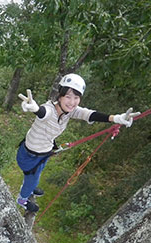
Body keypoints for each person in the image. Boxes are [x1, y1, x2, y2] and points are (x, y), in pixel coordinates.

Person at [16, 73, 140, 212]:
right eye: (68, 96)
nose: (72, 102)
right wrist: (35, 108)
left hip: (43, 152)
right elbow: (43, 113)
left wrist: (116, 118)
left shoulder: (70, 111)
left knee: (36, 175)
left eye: (76, 97)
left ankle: (30, 187)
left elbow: (89, 114)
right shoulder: (50, 109)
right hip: (29, 156)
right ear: (60, 96)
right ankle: (22, 199)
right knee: (32, 178)